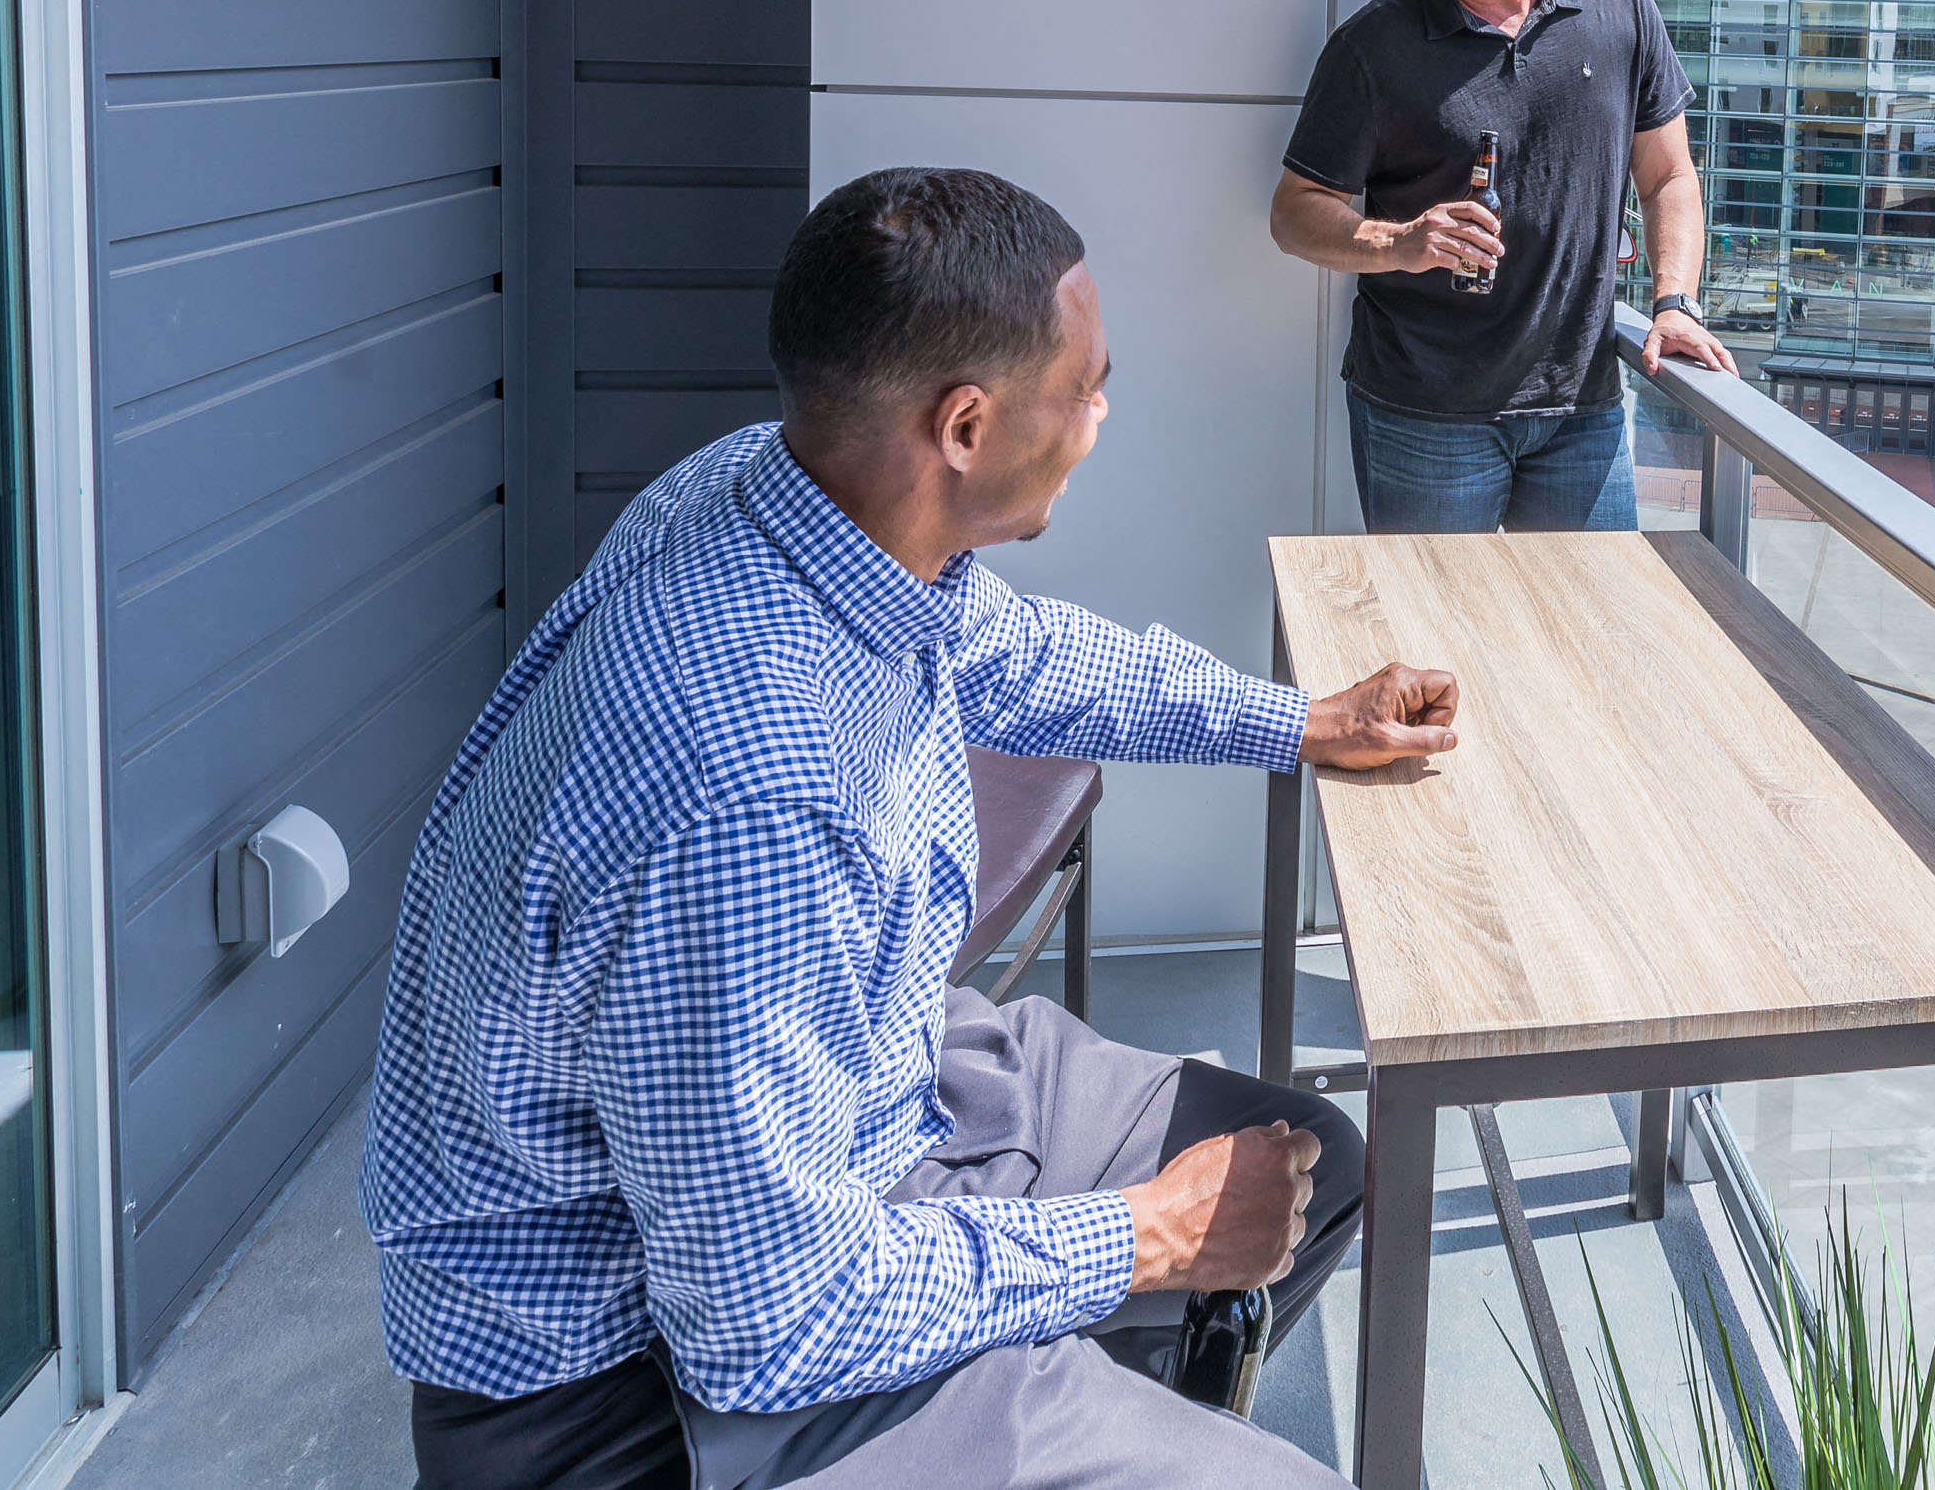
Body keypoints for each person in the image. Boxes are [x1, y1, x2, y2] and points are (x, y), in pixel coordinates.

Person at [363, 169, 1463, 1490]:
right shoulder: (751, 790)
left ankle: (1061, 1389)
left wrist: (1300, 718)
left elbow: (1023, 656)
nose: (1102, 416)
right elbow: (767, 1320)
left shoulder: (770, 488)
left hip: (867, 1098)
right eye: (1087, 387)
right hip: (634, 1383)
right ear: (965, 425)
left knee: (1312, 1167)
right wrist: (1145, 1237)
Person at [1272, 0, 1733, 531]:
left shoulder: (1620, 6)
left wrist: (1675, 301)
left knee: (1586, 608)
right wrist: (1401, 241)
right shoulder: (1372, 47)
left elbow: (1669, 176)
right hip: (1423, 416)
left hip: (1582, 408)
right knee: (1434, 611)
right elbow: (1295, 212)